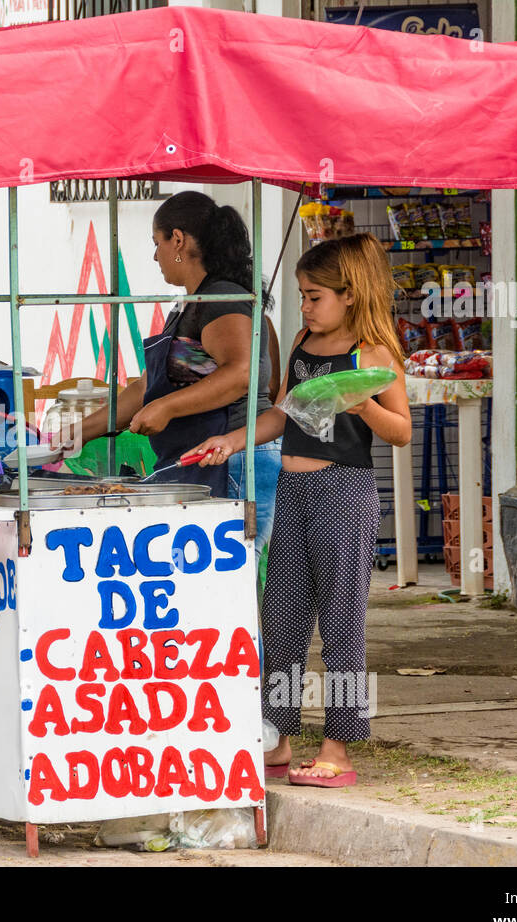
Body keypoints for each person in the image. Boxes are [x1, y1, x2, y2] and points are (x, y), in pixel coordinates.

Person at [187, 233, 412, 787]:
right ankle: (278, 735)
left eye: (315, 297)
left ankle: (339, 745)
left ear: (350, 295)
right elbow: (284, 415)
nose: (305, 307)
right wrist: (234, 441)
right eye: (302, 296)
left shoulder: (374, 355)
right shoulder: (301, 346)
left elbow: (402, 431)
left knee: (341, 623)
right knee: (281, 618)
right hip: (293, 495)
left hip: (345, 493)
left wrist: (361, 403)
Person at [73, 191, 277, 500]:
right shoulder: (191, 303)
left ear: (178, 240)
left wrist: (166, 407)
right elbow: (147, 388)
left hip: (233, 464)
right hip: (198, 463)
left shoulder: (222, 298)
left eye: (157, 243)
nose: (156, 256)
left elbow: (241, 373)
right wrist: (73, 436)